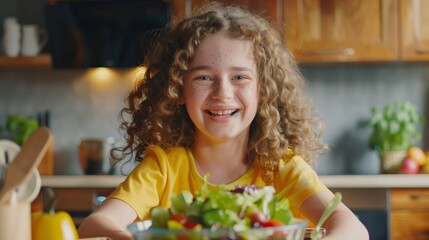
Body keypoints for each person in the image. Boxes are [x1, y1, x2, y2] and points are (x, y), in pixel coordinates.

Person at [78, 2, 369, 240]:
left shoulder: (281, 167)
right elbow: (93, 226)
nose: (223, 93)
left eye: (240, 77)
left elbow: (353, 229)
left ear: (263, 90)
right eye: (204, 77)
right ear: (177, 88)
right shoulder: (163, 166)